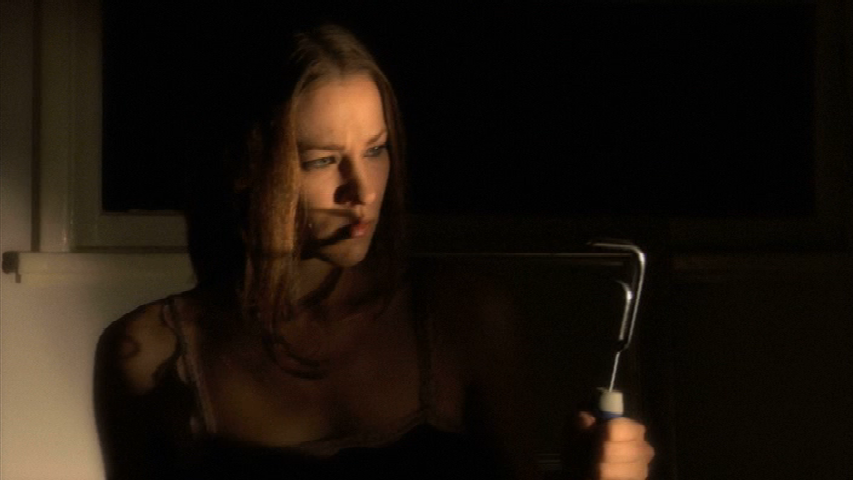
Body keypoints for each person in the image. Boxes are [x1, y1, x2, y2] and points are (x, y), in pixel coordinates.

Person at [94, 24, 654, 480]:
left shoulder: (461, 317)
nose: (361, 192)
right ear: (244, 166)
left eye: (376, 150)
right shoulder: (151, 354)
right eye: (322, 160)